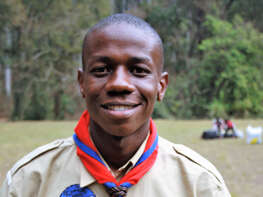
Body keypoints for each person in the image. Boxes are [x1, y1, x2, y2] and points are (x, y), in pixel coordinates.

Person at [0, 14, 231, 197]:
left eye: (139, 70)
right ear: (82, 83)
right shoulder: (29, 181)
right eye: (101, 70)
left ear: (161, 86)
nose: (119, 84)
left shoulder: (200, 184)